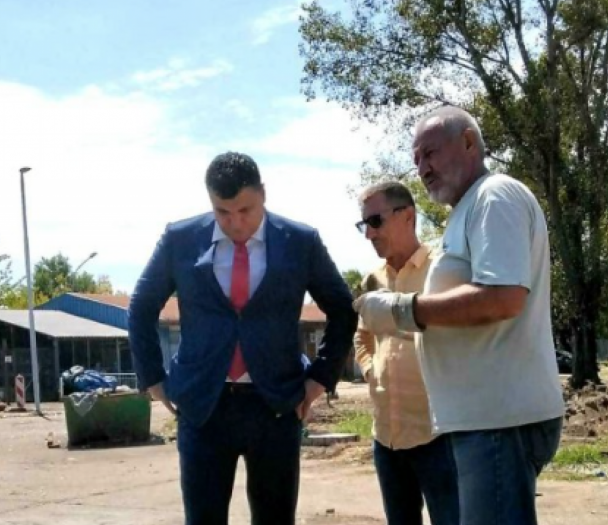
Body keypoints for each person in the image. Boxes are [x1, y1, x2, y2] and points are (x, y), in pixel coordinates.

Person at [354, 106, 565, 525]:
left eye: (430, 153)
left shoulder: (494, 196)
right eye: (416, 159)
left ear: (469, 142)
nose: (422, 168)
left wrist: (401, 310)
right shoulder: (469, 209)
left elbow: (503, 297)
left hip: (499, 420)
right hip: (484, 420)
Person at [128, 151, 357, 525]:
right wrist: (153, 378)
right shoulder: (180, 239)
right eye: (223, 212)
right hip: (204, 406)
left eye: (245, 210)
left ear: (263, 194)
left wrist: (320, 378)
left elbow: (343, 309)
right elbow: (141, 306)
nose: (235, 223)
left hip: (275, 406)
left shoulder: (300, 241)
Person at [354, 181, 459, 525]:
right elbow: (362, 336)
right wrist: (371, 371)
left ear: (408, 216)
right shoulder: (372, 280)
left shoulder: (441, 270)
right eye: (364, 224)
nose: (369, 234)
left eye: (375, 221)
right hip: (386, 438)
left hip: (438, 437)